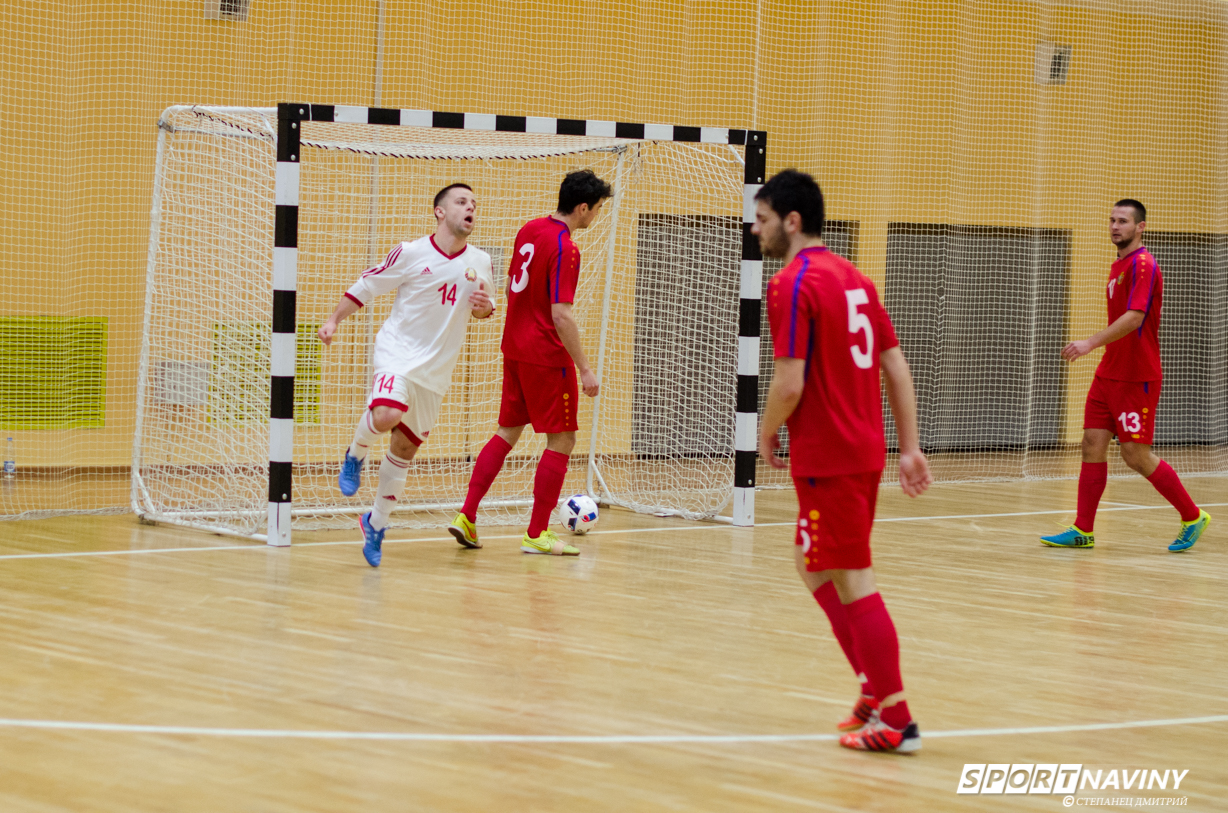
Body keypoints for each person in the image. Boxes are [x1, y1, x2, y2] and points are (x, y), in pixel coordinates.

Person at [755, 170, 932, 754]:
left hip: (828, 454)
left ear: (792, 221)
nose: (755, 231)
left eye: (761, 220)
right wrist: (907, 446)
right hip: (861, 450)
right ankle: (871, 689)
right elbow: (896, 367)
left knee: (854, 578)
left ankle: (897, 719)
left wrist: (766, 432)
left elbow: (788, 382)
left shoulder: (790, 282)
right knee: (811, 564)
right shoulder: (857, 278)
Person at [318, 183, 495, 567]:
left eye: (474, 204)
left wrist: (484, 307)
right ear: (440, 211)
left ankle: (375, 523)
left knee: (404, 451)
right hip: (397, 353)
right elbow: (368, 285)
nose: (470, 209)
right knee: (386, 415)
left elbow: (485, 307)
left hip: (435, 373)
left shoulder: (480, 261)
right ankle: (355, 454)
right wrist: (334, 319)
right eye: (462, 202)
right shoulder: (412, 252)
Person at [447, 169, 612, 556]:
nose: (596, 217)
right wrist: (585, 368)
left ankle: (467, 516)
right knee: (563, 439)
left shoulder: (530, 229)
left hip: (514, 349)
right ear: (583, 207)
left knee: (507, 432)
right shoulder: (566, 247)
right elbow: (561, 315)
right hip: (545, 356)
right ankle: (537, 534)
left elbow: (508, 287)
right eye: (597, 210)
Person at [1040, 200, 1210, 552]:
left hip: (1136, 376)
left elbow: (1135, 317)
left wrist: (1090, 342)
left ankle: (1192, 516)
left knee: (1135, 455)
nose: (1115, 227)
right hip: (1109, 373)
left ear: (1140, 227)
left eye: (1123, 221)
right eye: (1112, 221)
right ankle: (1082, 529)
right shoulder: (1119, 264)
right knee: (1091, 445)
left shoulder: (1144, 264)